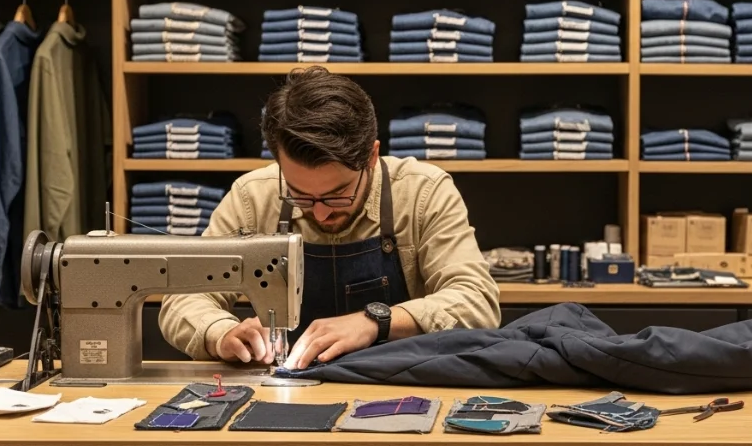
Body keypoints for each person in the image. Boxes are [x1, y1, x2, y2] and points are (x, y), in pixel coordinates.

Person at [159, 67, 501, 370]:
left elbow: (476, 301)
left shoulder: (422, 192)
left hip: (400, 387)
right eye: (300, 194)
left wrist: (375, 321)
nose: (319, 211)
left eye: (338, 194)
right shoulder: (253, 196)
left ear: (372, 156)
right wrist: (221, 333)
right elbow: (185, 298)